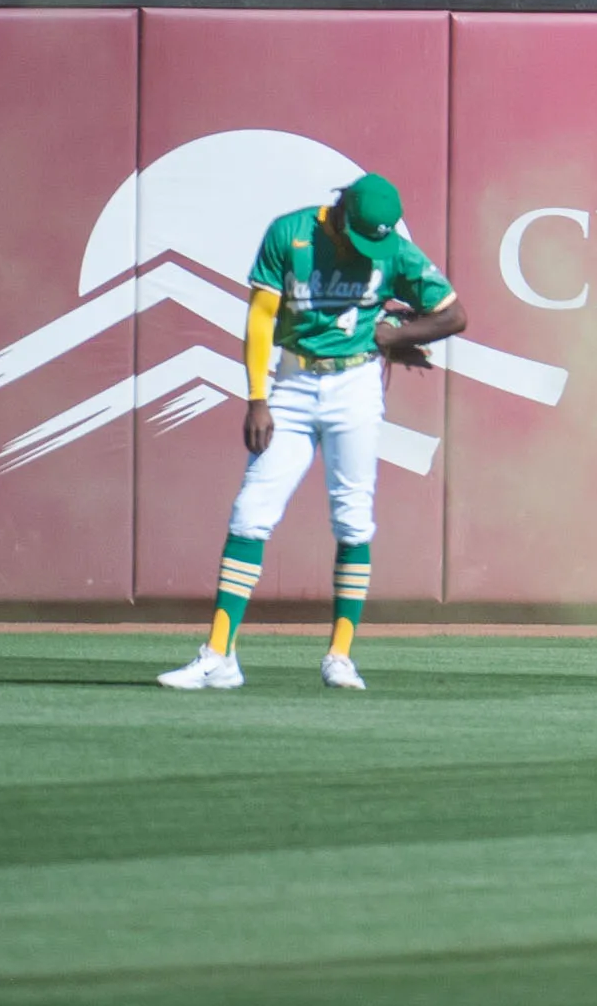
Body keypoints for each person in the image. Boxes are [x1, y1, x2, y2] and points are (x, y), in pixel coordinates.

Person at [153, 169, 463, 694]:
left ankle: (340, 656)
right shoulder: (290, 233)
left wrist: (394, 337)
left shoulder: (393, 250)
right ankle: (219, 656)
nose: (368, 246)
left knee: (353, 517)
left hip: (357, 386)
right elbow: (259, 320)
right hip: (293, 383)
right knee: (251, 513)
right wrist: (256, 398)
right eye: (361, 233)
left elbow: (453, 314)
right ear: (341, 210)